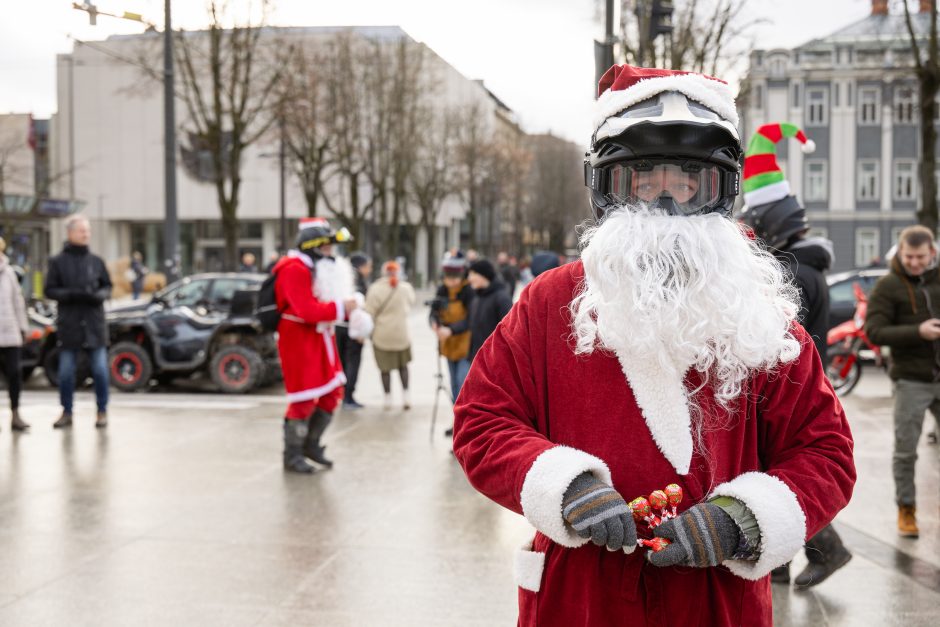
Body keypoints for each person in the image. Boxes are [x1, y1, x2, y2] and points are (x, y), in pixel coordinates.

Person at [452, 65, 855, 626]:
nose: (667, 198)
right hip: (582, 598)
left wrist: (743, 519)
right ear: (609, 186)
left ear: (720, 190)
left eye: (689, 179)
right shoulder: (551, 302)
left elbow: (825, 452)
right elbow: (482, 420)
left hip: (715, 602)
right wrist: (561, 487)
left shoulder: (759, 314)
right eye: (644, 177)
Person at [739, 122, 851, 589]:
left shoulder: (797, 274)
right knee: (772, 472)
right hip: (797, 387)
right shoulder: (806, 265)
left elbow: (778, 340)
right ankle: (779, 563)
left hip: (788, 390)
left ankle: (831, 550)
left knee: (782, 475)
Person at [866, 225, 940, 538]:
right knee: (906, 450)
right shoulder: (888, 285)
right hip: (912, 379)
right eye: (909, 256)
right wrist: (918, 332)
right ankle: (906, 508)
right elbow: (874, 331)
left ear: (932, 253)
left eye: (920, 257)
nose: (914, 263)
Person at [272, 217, 357, 474]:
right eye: (326, 248)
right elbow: (306, 310)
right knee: (304, 398)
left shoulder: (311, 268)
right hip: (299, 341)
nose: (331, 253)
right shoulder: (294, 269)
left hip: (320, 338)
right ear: (313, 247)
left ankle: (311, 444)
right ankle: (293, 454)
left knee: (332, 393)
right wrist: (342, 309)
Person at [45, 215, 113, 429]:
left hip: (94, 326)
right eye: (82, 231)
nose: (86, 235)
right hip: (70, 326)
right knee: (66, 372)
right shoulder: (58, 262)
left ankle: (102, 411)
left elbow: (108, 287)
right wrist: (73, 294)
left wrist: (99, 295)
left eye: (88, 231)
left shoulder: (96, 261)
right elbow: (50, 290)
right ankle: (67, 411)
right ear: (71, 233)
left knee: (101, 370)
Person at [430, 253, 475, 435]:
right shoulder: (442, 290)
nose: (452, 282)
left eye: (455, 278)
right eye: (448, 278)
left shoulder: (468, 291)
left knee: (463, 386)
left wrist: (451, 330)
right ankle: (458, 423)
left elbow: (471, 319)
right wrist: (434, 323)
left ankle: (466, 427)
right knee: (454, 387)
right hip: (448, 345)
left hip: (465, 345)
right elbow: (433, 311)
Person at [365, 260, 416, 410]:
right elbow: (411, 303)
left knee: (384, 369)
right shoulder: (405, 288)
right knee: (403, 366)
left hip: (382, 335)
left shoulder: (375, 289)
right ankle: (406, 396)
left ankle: (387, 398)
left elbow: (369, 311)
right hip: (401, 334)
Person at [0, 236, 30, 431]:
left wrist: (23, 327)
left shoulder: (9, 272)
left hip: (9, 333)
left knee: (14, 374)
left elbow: (17, 302)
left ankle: (15, 414)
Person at [338, 252, 372, 409]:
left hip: (338, 327)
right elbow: (357, 309)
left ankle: (344, 395)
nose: (369, 270)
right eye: (368, 266)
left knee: (343, 363)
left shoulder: (340, 278)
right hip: (352, 329)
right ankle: (348, 397)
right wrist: (360, 332)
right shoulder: (357, 283)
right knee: (352, 363)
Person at [465, 259, 512, 362]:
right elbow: (469, 322)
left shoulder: (501, 298)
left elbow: (510, 331)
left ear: (483, 275)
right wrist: (450, 330)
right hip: (477, 359)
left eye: (473, 274)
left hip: (494, 361)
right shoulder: (477, 297)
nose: (469, 279)